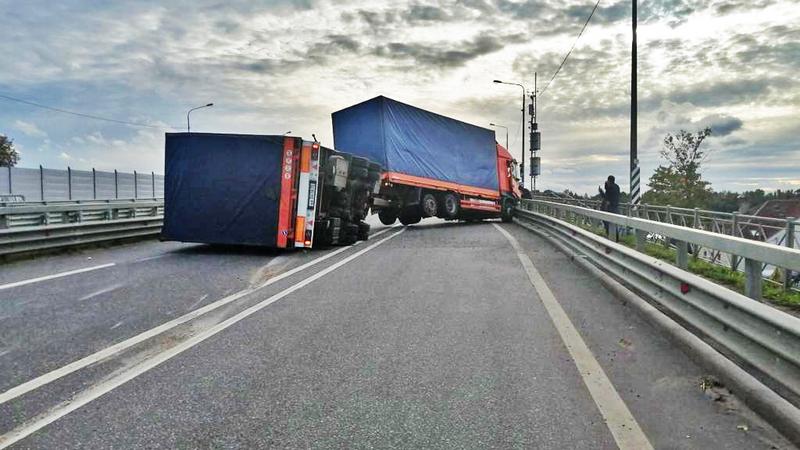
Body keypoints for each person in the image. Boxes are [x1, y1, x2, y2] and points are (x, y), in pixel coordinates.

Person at [598, 175, 620, 241]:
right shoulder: (617, 187)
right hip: (616, 208)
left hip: (609, 208)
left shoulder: (610, 188)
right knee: (614, 223)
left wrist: (601, 191)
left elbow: (606, 197)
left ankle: (610, 236)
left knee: (607, 222)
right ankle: (616, 238)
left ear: (609, 181)